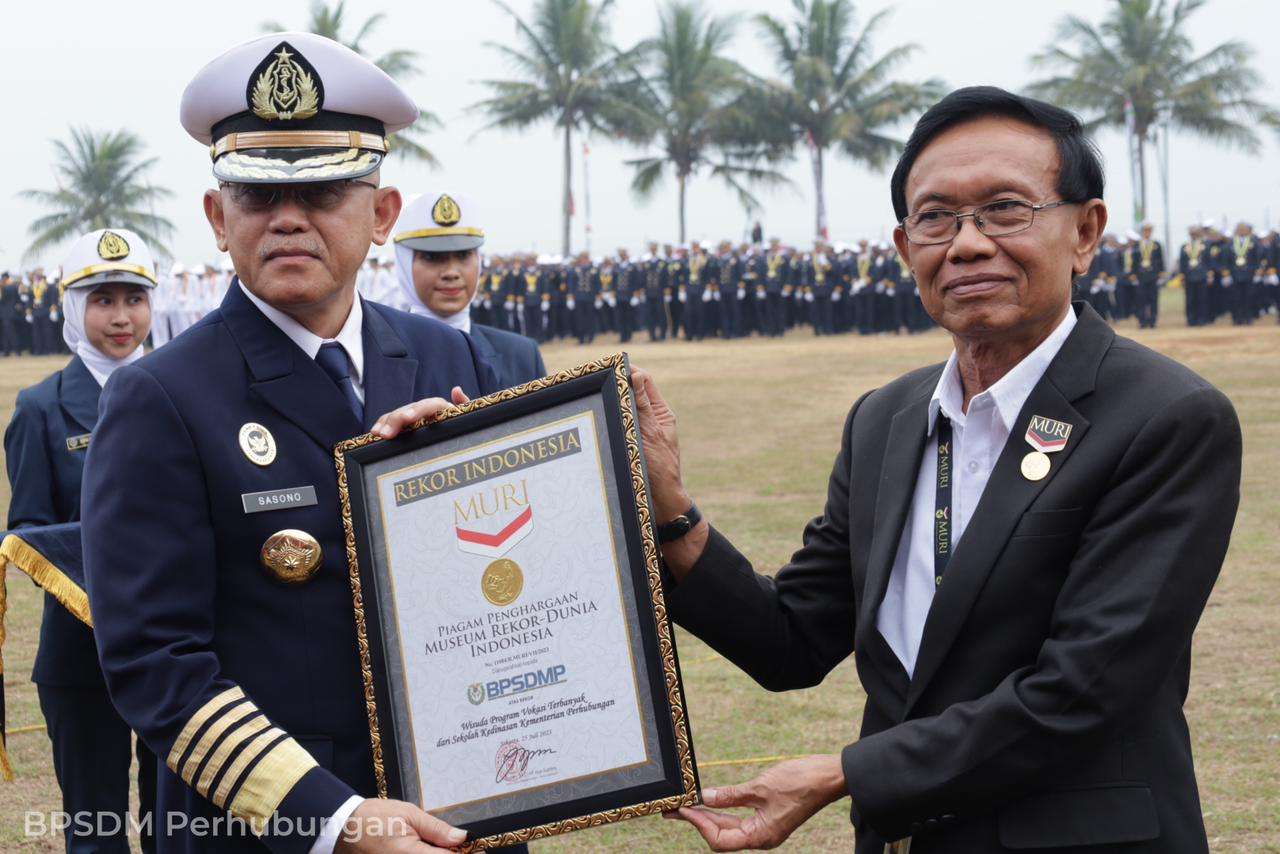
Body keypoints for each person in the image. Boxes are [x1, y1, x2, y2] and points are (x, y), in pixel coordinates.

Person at [626, 87, 1240, 853]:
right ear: (903, 245)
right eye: (936, 217)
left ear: (1085, 232)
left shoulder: (1165, 416)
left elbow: (1083, 690)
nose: (969, 243)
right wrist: (671, 511)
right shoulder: (886, 418)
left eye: (1007, 209)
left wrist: (846, 774)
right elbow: (793, 639)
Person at [81, 32, 504, 854]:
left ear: (381, 215)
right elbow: (154, 664)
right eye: (253, 195)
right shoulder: (160, 396)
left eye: (323, 193)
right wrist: (336, 820)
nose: (285, 220)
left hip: (461, 809)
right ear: (217, 217)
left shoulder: (445, 358)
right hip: (274, 831)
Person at [5, 228, 160, 853]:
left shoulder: (184, 388)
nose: (121, 317)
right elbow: (28, 532)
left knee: (178, 824)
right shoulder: (42, 407)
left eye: (134, 298)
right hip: (79, 653)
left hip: (174, 652)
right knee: (94, 828)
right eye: (101, 300)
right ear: (73, 307)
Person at [392, 191, 545, 388]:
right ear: (404, 264)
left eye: (463, 255)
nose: (451, 273)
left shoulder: (521, 356)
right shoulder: (373, 356)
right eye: (432, 257)